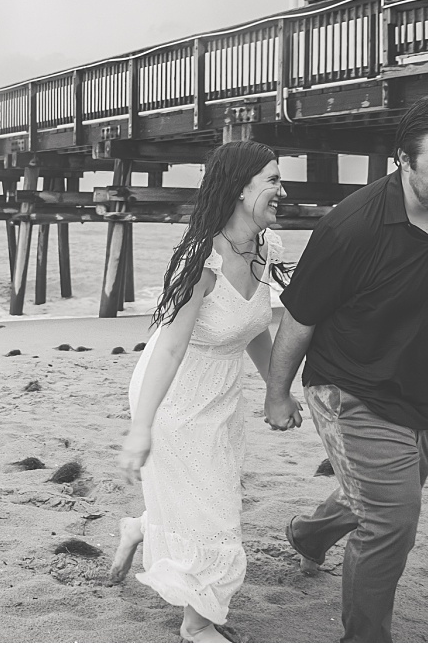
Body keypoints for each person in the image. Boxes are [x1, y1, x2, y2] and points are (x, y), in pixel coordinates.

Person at [262, 97, 428, 643]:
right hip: (348, 386)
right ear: (402, 162)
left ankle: (309, 537)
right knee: (391, 521)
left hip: (424, 391)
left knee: (392, 489)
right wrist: (277, 393)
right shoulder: (350, 228)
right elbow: (300, 316)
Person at [112, 142, 300, 643]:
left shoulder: (266, 248)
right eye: (273, 180)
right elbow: (169, 350)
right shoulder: (199, 261)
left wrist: (277, 391)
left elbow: (252, 327)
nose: (282, 190)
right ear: (241, 188)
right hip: (173, 394)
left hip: (220, 390)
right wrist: (141, 428)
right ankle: (196, 627)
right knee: (215, 508)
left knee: (205, 494)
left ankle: (138, 528)